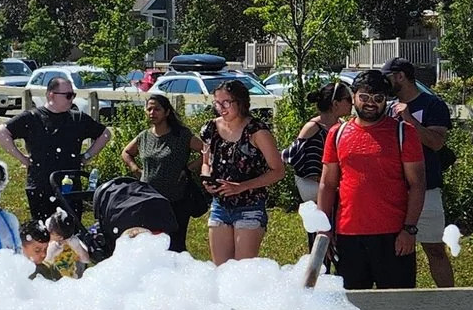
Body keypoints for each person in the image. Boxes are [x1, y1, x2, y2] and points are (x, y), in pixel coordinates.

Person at [319, 70, 425, 291]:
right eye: (364, 97)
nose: (371, 104)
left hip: (394, 236)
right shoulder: (337, 133)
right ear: (354, 96)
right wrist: (324, 229)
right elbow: (327, 184)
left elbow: (417, 184)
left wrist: (409, 229)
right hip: (348, 235)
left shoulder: (403, 132)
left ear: (386, 100)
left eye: (378, 99)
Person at [0, 74, 112, 228]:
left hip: (70, 187)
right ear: (51, 95)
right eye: (67, 95)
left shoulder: (77, 118)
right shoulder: (33, 118)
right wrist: (22, 159)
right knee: (43, 231)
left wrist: (86, 156)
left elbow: (105, 134)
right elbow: (1, 133)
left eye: (73, 95)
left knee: (71, 231)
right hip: (40, 185)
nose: (71, 99)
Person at [199, 79, 287, 266]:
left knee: (242, 270)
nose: (221, 108)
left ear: (240, 102)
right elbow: (206, 162)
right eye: (217, 103)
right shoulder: (210, 129)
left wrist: (242, 187)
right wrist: (206, 178)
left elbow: (278, 171)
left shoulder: (257, 131)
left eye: (226, 103)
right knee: (220, 269)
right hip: (220, 205)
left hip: (250, 205)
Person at [385, 59, 456, 289]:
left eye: (388, 77)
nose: (385, 83)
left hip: (427, 189)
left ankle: (451, 302)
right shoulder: (387, 107)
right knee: (398, 251)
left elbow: (436, 143)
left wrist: (409, 119)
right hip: (395, 190)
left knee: (434, 249)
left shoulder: (433, 105)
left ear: (400, 76)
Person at [120, 93, 204, 247]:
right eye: (149, 109)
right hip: (148, 199)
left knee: (174, 244)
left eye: (157, 109)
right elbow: (126, 153)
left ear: (167, 112)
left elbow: (206, 151)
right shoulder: (144, 136)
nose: (152, 113)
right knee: (149, 242)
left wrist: (190, 168)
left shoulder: (181, 135)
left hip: (175, 199)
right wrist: (135, 168)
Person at [284, 81, 351, 207]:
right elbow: (307, 167)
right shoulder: (313, 128)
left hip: (332, 185)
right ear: (335, 104)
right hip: (314, 188)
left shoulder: (341, 125)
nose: (351, 102)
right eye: (347, 99)